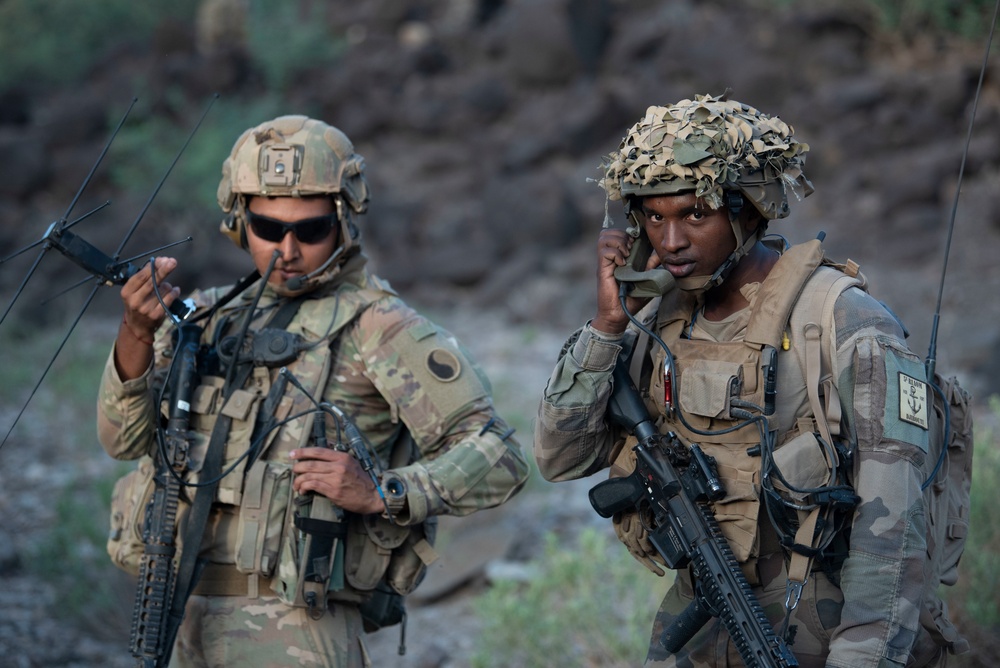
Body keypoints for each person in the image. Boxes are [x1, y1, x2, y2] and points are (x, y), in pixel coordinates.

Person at [98, 114, 530, 667]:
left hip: (297, 629)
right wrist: (136, 335)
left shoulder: (380, 328)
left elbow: (500, 455)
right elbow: (121, 440)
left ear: (344, 221)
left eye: (310, 229)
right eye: (268, 227)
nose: (287, 249)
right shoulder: (208, 318)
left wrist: (386, 492)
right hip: (184, 613)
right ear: (238, 220)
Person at [534, 94, 941, 667]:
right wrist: (605, 327)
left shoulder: (843, 322)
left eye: (694, 215)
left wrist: (863, 658)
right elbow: (559, 457)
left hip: (820, 626)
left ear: (749, 211)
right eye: (654, 216)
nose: (671, 242)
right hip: (697, 620)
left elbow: (894, 533)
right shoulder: (650, 322)